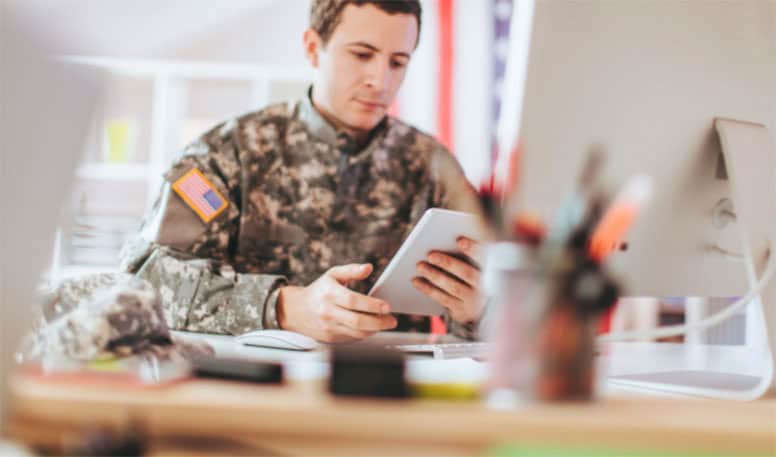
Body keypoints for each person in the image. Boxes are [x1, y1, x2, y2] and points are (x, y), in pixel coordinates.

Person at [120, 0, 486, 343]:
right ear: (313, 48)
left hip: (382, 396)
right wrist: (282, 306)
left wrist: (479, 312)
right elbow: (141, 280)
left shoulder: (434, 169)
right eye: (362, 55)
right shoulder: (227, 156)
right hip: (247, 393)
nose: (381, 80)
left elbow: (500, 318)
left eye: (398, 62)